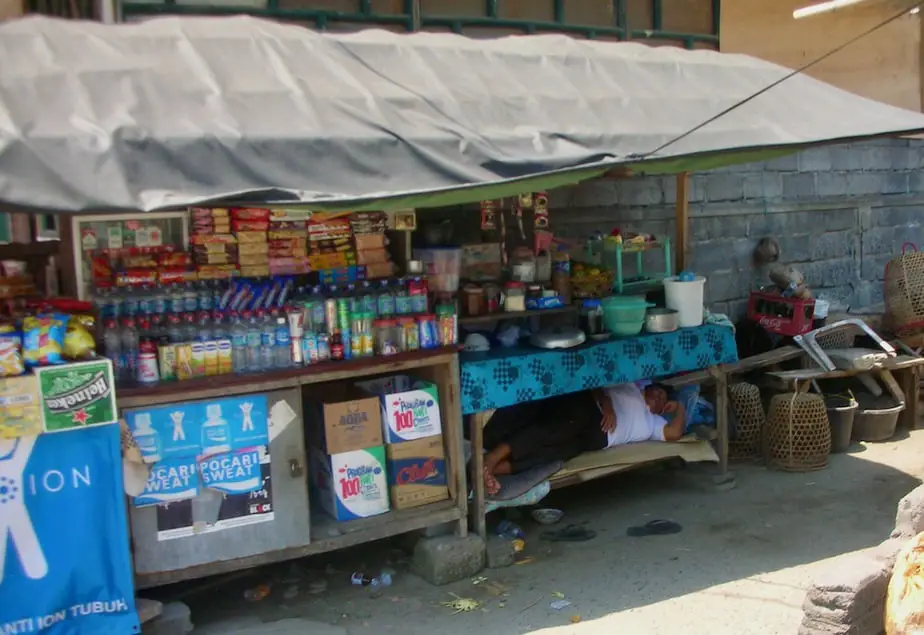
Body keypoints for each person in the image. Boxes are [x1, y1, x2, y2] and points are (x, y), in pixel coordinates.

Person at [481, 382, 686, 496]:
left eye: (663, 400)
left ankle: (494, 469)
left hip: (594, 439)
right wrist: (607, 405)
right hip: (588, 408)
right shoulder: (630, 387)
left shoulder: (653, 423)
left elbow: (675, 434)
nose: (659, 397)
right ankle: (492, 458)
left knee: (553, 455)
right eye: (658, 392)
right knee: (556, 430)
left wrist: (680, 407)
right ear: (648, 387)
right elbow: (594, 383)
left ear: (663, 409)